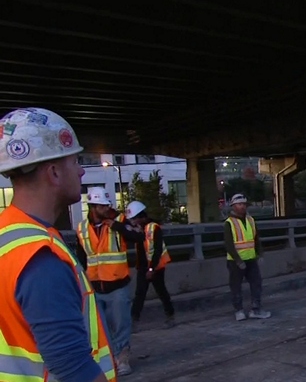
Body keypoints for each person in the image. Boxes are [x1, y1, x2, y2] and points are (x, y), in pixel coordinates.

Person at [0, 107, 115, 381]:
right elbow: (73, 369)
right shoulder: (41, 257)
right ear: (53, 172)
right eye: (75, 162)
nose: (81, 172)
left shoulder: (8, 233)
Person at [75, 186, 144, 376]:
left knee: (121, 324)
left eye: (107, 205)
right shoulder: (82, 229)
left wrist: (117, 226)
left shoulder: (119, 221)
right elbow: (81, 257)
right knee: (100, 328)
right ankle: (108, 358)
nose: (107, 208)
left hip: (117, 285)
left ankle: (122, 358)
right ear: (93, 207)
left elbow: (138, 236)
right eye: (103, 206)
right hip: (95, 286)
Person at [126, 200, 175, 329]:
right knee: (140, 293)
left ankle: (170, 314)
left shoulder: (154, 227)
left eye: (134, 219)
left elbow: (158, 249)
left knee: (161, 291)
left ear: (140, 216)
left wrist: (152, 268)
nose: (133, 222)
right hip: (143, 266)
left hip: (156, 266)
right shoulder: (139, 229)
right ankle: (134, 320)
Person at [224, 193, 271, 321]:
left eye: (244, 204)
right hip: (235, 261)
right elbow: (228, 244)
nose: (242, 207)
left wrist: (259, 253)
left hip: (251, 259)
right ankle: (238, 310)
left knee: (256, 283)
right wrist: (238, 260)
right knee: (236, 286)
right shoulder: (229, 223)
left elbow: (256, 238)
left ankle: (255, 309)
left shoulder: (251, 220)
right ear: (233, 206)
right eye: (239, 204)